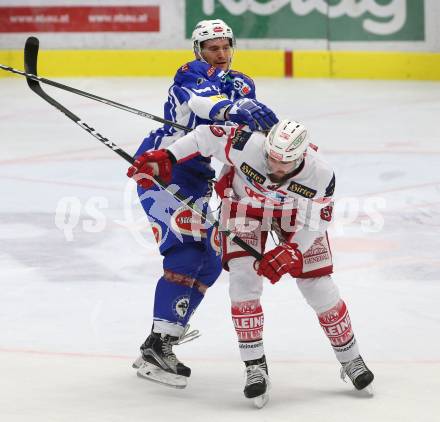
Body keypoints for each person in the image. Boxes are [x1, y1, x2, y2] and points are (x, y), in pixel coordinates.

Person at [127, 119, 375, 406]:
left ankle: (351, 358)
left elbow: (316, 220)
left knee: (318, 286)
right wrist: (169, 156)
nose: (275, 167)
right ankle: (255, 367)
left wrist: (293, 250)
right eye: (272, 157)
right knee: (243, 281)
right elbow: (205, 136)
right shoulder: (249, 145)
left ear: (301, 156)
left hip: (296, 217)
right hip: (244, 208)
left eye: (284, 163)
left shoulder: (320, 173)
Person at [129, 19, 278, 388]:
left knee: (211, 258)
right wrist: (230, 110)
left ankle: (163, 336)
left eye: (226, 46)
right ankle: (158, 345)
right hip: (163, 167)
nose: (221, 54)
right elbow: (203, 102)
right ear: (199, 50)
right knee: (185, 252)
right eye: (213, 48)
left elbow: (240, 140)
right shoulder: (190, 73)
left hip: (197, 175)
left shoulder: (243, 83)